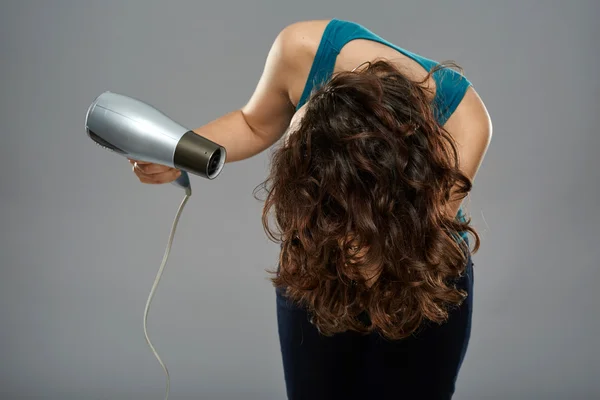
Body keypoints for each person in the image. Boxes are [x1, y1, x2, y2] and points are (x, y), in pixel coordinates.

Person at [129, 18, 492, 400]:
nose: (348, 250)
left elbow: (404, 237)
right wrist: (182, 150)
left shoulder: (463, 125)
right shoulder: (300, 50)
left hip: (413, 259)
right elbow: (254, 124)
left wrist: (364, 247)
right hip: (315, 248)